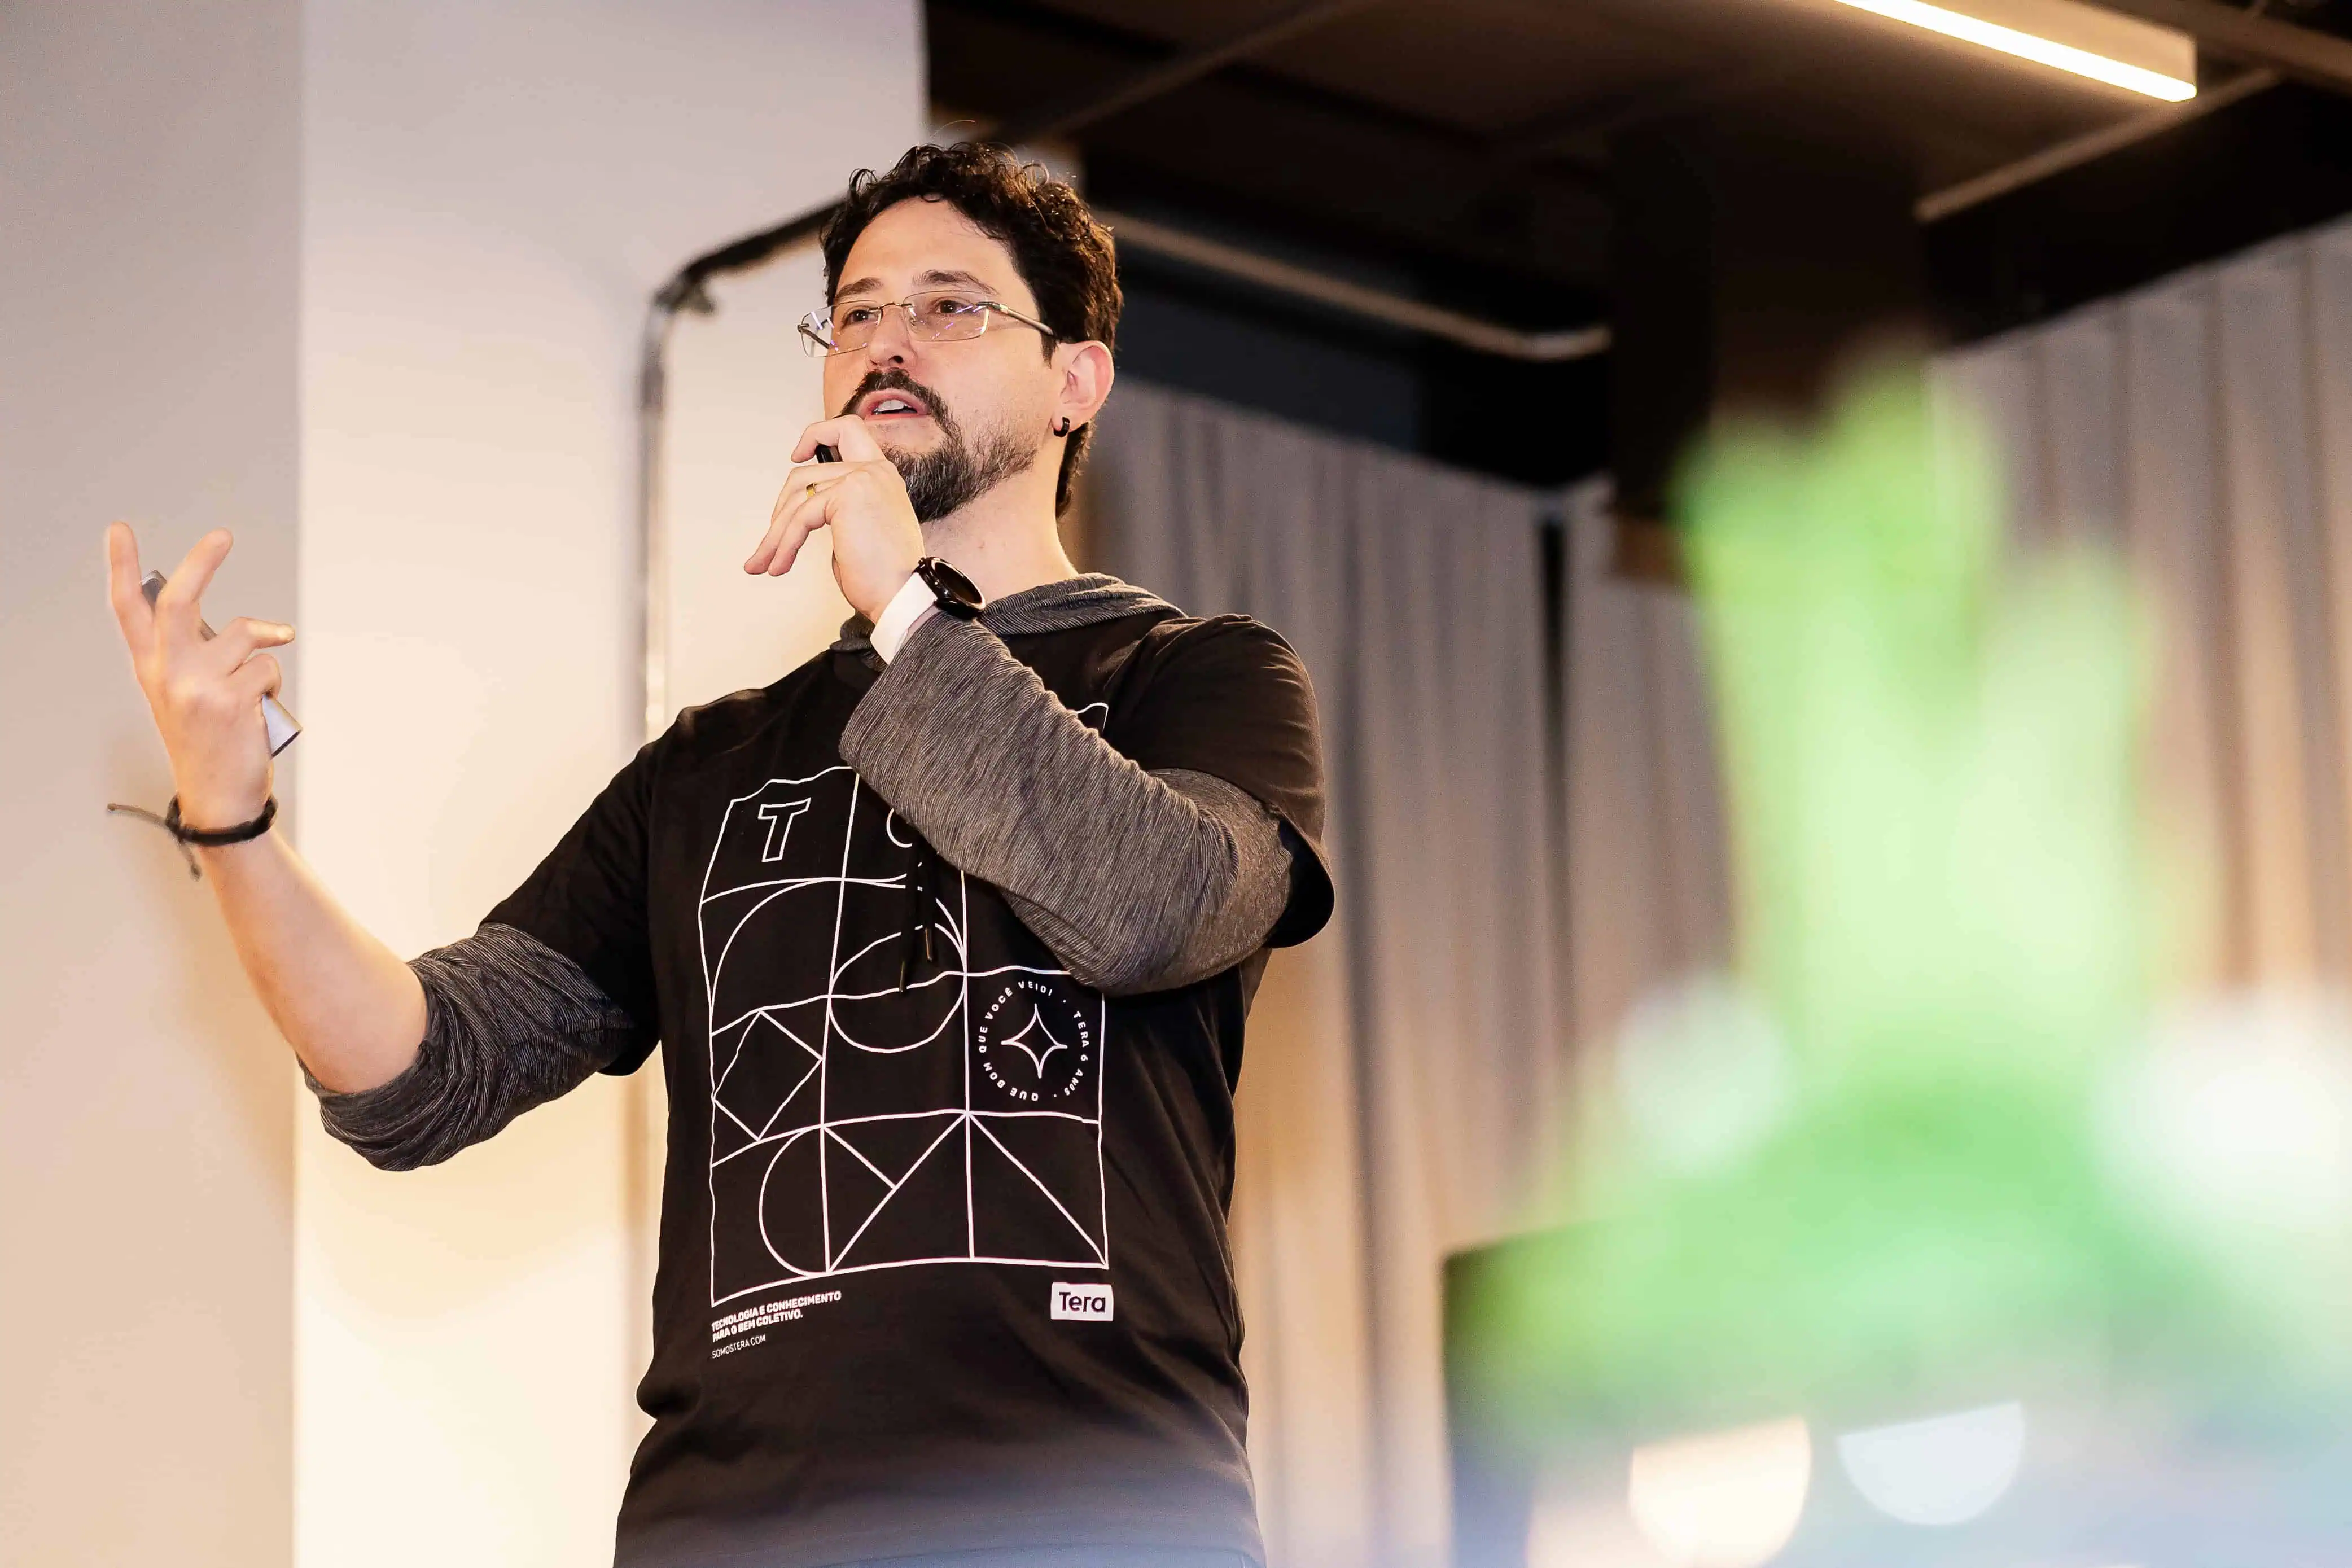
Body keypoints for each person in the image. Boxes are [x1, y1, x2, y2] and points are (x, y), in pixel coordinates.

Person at [103, 142, 1332, 1568]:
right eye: (857, 312)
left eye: (950, 308)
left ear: (1076, 382)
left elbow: (1147, 908)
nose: (886, 343)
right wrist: (234, 821)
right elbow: (419, 1076)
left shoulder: (1201, 675)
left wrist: (907, 615)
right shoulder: (709, 765)